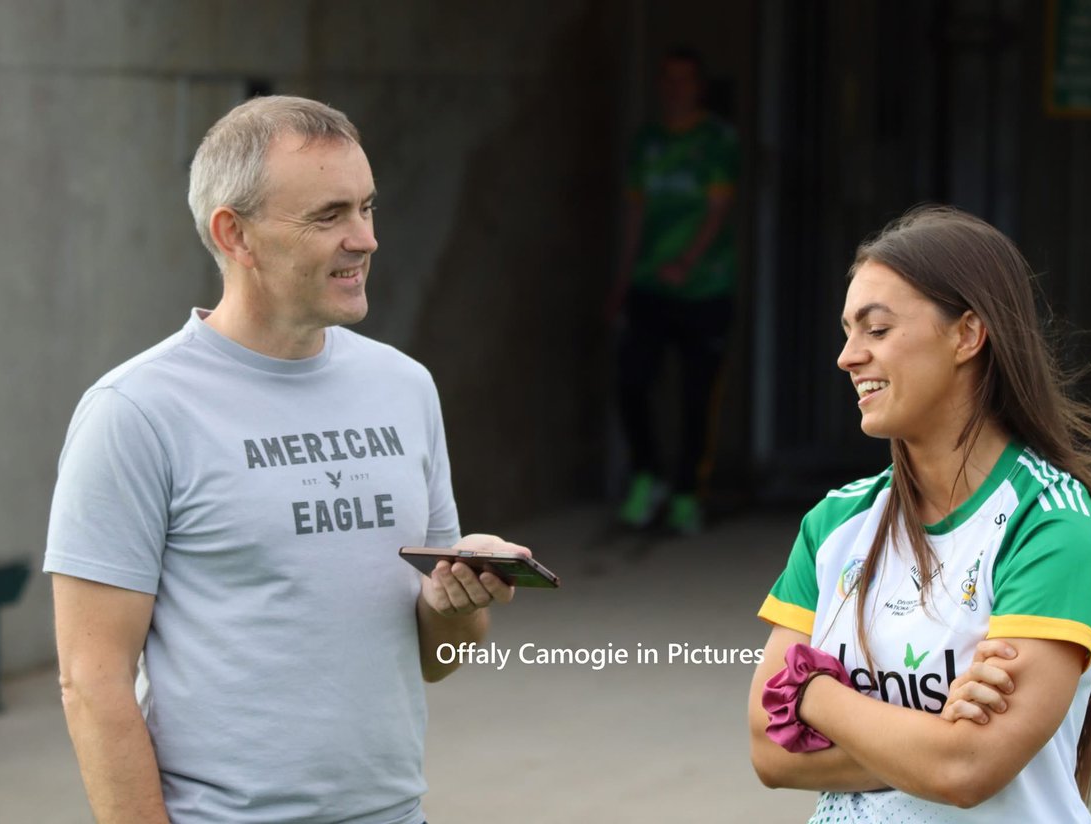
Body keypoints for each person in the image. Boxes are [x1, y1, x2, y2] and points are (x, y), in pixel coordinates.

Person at [44, 96, 531, 824]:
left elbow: (437, 660)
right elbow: (92, 682)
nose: (365, 239)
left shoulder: (404, 386)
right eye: (329, 216)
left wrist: (454, 602)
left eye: (367, 207)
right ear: (234, 234)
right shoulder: (137, 411)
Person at [747, 206, 1091, 821]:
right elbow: (769, 752)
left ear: (967, 335)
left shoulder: (1051, 527)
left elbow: (967, 769)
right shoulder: (834, 524)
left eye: (877, 329)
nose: (847, 357)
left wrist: (811, 692)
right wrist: (935, 732)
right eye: (847, 331)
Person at [607, 46, 740, 534]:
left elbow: (718, 209)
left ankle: (688, 494)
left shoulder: (717, 139)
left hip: (706, 288)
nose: (674, 88)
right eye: (667, 78)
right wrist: (622, 281)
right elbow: (635, 214)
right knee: (632, 382)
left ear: (699, 86)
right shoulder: (648, 141)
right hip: (649, 287)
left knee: (697, 397)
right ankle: (648, 476)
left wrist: (686, 262)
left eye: (684, 79)